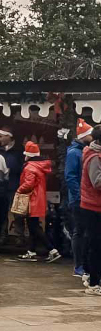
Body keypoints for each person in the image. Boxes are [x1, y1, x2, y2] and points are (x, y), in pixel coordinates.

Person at [15, 142, 60, 262]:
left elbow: (29, 184)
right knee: (32, 226)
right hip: (38, 199)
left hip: (32, 200)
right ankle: (31, 251)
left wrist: (19, 190)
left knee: (34, 227)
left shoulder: (30, 167)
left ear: (28, 155)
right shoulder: (39, 166)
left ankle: (52, 250)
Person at [67, 120, 93, 278]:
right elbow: (70, 177)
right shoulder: (74, 153)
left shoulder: (82, 151)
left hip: (83, 197)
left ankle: (84, 263)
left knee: (84, 231)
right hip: (78, 200)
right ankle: (78, 265)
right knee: (79, 231)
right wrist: (79, 196)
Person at [81, 125, 101, 296]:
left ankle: (91, 276)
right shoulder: (94, 157)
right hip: (93, 207)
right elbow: (97, 182)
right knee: (95, 244)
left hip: (94, 205)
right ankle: (94, 282)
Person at [0, 126, 25, 240]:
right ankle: (2, 236)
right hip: (2, 186)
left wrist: (12, 169)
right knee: (2, 212)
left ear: (8, 136)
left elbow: (24, 168)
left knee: (17, 213)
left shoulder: (19, 150)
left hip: (15, 186)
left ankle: (20, 236)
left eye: (1, 136)